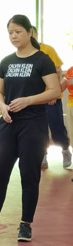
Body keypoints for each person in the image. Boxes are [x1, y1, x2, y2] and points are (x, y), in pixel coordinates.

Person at [0, 15, 59, 242]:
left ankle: (25, 224)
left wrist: (28, 100)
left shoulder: (42, 60)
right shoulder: (6, 61)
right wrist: (2, 106)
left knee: (29, 174)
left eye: (18, 32)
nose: (13, 36)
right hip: (9, 124)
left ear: (30, 32)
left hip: (33, 125)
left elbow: (54, 90)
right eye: (10, 32)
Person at [31, 27, 72, 169]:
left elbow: (57, 71)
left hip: (51, 98)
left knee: (56, 127)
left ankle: (65, 149)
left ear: (34, 34)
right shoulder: (27, 52)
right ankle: (43, 153)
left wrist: (52, 92)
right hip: (35, 98)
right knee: (39, 128)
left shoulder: (48, 49)